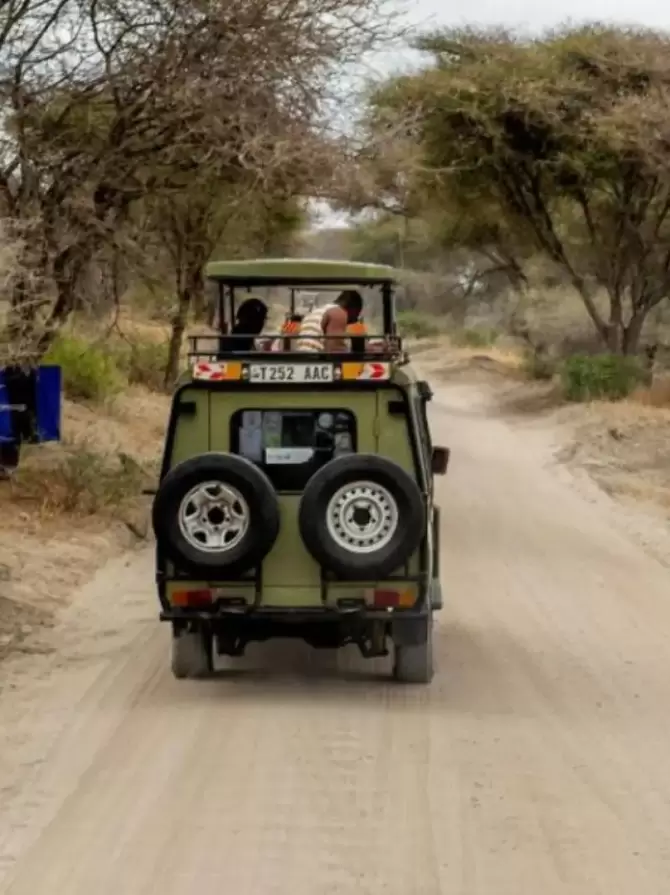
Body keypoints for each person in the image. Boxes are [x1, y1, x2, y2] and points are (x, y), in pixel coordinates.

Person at [296, 289, 363, 353]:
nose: (354, 321)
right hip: (317, 359)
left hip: (302, 358)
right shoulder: (338, 312)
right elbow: (335, 350)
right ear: (352, 309)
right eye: (355, 315)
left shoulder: (314, 312)